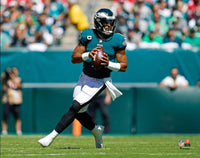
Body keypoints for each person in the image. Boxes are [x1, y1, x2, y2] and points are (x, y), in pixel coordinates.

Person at [38, 8, 127, 148]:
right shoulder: (88, 35)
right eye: (106, 23)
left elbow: (123, 66)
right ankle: (96, 132)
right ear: (98, 23)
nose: (109, 26)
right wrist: (88, 55)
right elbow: (74, 58)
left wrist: (108, 63)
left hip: (100, 80)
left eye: (110, 23)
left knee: (74, 106)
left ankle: (51, 136)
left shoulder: (117, 40)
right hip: (84, 76)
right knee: (79, 112)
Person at [1, 67, 23, 135]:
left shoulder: (18, 79)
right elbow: (3, 81)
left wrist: (12, 77)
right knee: (5, 116)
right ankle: (4, 131)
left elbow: (19, 86)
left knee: (17, 117)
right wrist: (6, 75)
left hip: (16, 101)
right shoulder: (6, 80)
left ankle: (18, 131)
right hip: (7, 100)